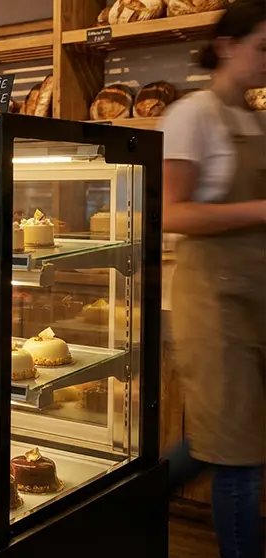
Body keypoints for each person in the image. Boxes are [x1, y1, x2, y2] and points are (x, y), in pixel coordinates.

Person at [159, 1, 266, 556]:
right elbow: (169, 212)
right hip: (214, 303)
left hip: (255, 298)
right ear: (227, 46)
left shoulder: (257, 118)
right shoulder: (191, 115)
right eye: (263, 48)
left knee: (226, 437)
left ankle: (121, 501)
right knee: (237, 454)